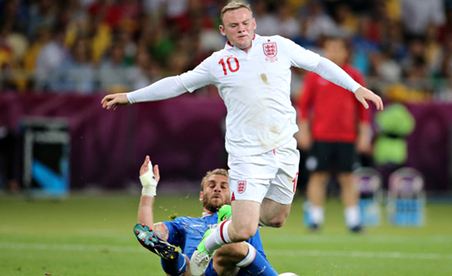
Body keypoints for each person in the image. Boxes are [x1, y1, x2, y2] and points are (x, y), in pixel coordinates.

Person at [101, 1, 383, 274]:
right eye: (233, 25)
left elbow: (320, 63)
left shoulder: (278, 46)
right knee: (245, 229)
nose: (241, 28)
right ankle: (204, 248)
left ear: (254, 23)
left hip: (284, 147)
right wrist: (130, 97)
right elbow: (178, 83)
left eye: (246, 23)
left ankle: (231, 217)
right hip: (247, 153)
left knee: (276, 218)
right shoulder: (218, 63)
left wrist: (356, 87)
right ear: (223, 30)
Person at [134, 155, 277, 275]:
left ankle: (175, 260)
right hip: (192, 272)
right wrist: (148, 188)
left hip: (228, 269)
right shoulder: (185, 223)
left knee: (230, 247)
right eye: (212, 185)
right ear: (201, 195)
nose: (217, 189)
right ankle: (171, 257)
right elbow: (146, 232)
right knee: (157, 234)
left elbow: (258, 258)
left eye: (223, 186)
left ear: (234, 196)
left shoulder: (242, 221)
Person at [296, 36, 371, 232]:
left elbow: (363, 110)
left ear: (346, 52)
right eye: (330, 48)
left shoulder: (355, 75)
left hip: (347, 136)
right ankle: (315, 219)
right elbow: (304, 107)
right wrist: (303, 131)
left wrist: (364, 135)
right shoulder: (314, 76)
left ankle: (353, 221)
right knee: (318, 176)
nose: (334, 53)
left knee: (347, 178)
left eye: (338, 48)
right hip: (321, 136)